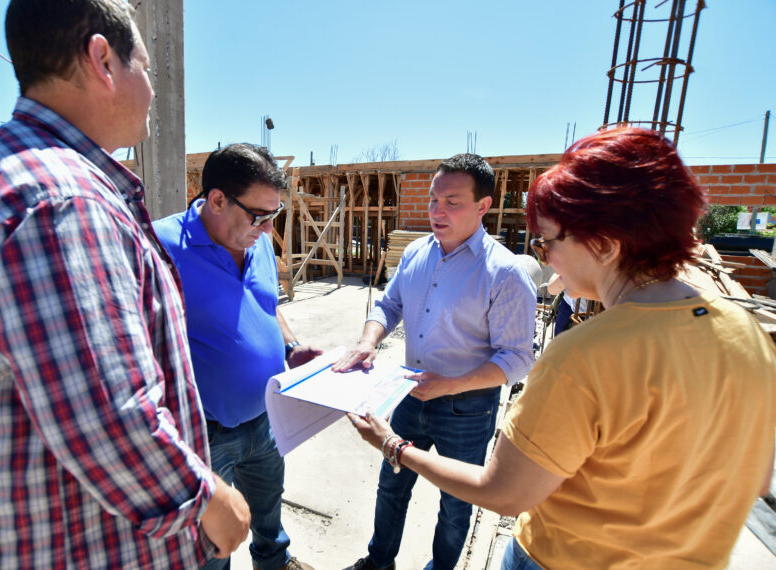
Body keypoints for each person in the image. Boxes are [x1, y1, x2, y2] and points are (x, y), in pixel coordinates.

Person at [0, 1, 251, 567]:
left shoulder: (14, 174)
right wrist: (208, 498)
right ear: (102, 60)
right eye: (143, 65)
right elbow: (107, 411)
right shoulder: (60, 200)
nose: (150, 88)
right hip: (84, 543)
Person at [348, 127, 776, 569]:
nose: (546, 258)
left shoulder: (583, 355)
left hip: (557, 551)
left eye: (548, 241)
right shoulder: (750, 337)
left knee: (454, 511)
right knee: (392, 490)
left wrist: (395, 446)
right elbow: (755, 479)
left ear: (606, 245)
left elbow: (506, 493)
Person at [334, 153, 537, 570]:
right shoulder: (414, 254)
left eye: (452, 202)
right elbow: (389, 305)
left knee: (456, 504)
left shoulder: (504, 273)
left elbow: (517, 358)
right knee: (392, 485)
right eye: (432, 199)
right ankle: (378, 562)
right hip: (408, 394)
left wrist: (450, 384)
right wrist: (369, 340)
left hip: (466, 409)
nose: (437, 211)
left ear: (483, 206)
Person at [153, 143, 322, 570]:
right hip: (205, 434)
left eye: (274, 216)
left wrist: (290, 347)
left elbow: (268, 304)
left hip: (266, 418)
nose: (267, 230)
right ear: (216, 200)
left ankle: (274, 561)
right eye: (259, 216)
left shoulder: (258, 242)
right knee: (212, 543)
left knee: (269, 516)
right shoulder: (160, 245)